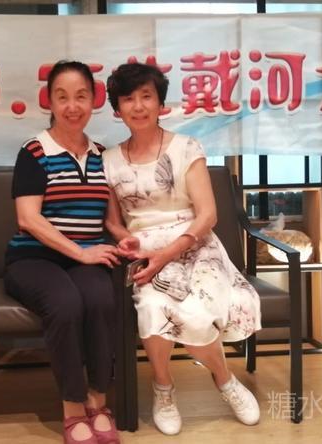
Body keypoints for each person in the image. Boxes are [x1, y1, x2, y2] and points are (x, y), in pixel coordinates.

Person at [103, 62, 262, 436]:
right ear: (117, 108)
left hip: (196, 246)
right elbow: (112, 221)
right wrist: (125, 238)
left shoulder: (186, 148)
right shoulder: (107, 160)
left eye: (147, 96)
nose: (138, 106)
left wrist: (170, 252)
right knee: (152, 307)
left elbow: (208, 215)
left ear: (161, 103)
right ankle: (163, 389)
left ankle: (224, 380)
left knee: (196, 311)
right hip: (145, 252)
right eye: (128, 98)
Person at [3, 60, 121, 444]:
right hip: (32, 259)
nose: (73, 106)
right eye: (63, 97)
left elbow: (112, 221)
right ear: (49, 102)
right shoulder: (34, 151)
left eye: (81, 96)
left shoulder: (102, 154)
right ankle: (72, 408)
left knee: (101, 299)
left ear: (94, 100)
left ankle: (98, 401)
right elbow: (28, 219)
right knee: (65, 303)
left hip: (83, 258)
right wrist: (81, 253)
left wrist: (133, 240)